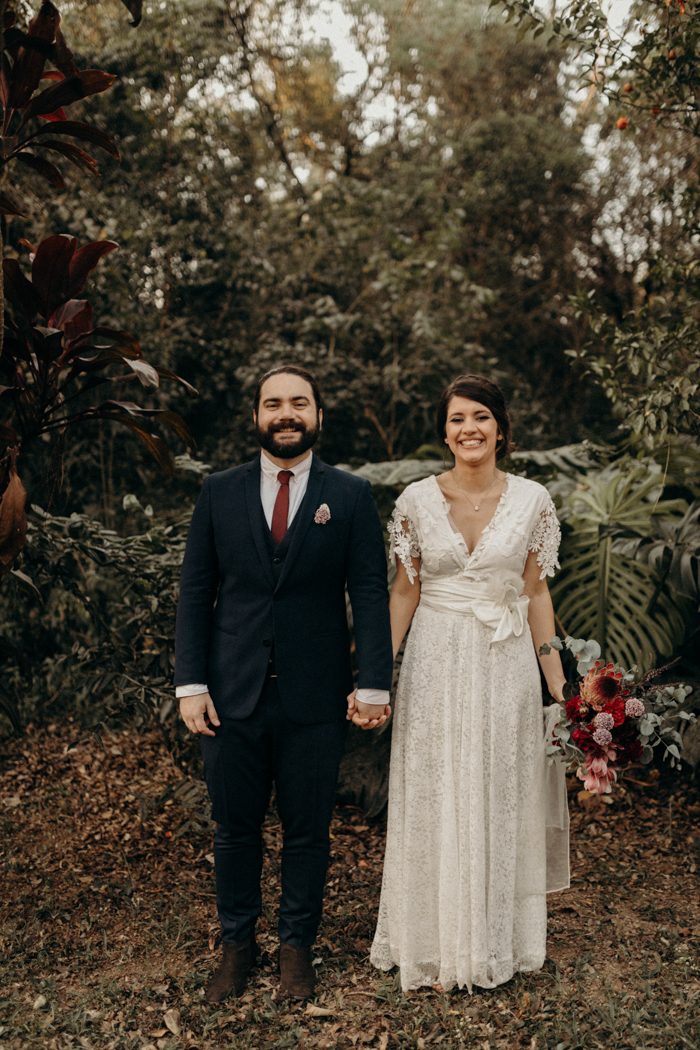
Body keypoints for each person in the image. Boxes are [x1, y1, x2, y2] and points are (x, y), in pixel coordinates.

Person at [175, 365, 393, 1003]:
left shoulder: (349, 496)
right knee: (234, 829)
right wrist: (190, 682)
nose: (286, 413)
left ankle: (297, 946)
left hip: (314, 696)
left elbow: (370, 593)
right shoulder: (220, 492)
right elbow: (194, 593)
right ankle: (236, 946)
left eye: (299, 402)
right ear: (257, 417)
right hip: (230, 693)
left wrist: (373, 681)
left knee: (308, 830)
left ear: (318, 415)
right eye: (274, 404)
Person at [365, 374, 570, 993]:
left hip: (505, 659)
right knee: (435, 787)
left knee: (498, 787)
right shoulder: (415, 501)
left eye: (480, 416)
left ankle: (493, 939)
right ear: (444, 431)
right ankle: (430, 940)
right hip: (435, 658)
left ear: (501, 429)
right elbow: (403, 592)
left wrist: (561, 689)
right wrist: (376, 678)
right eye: (456, 419)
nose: (469, 429)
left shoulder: (533, 499)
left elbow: (536, 594)